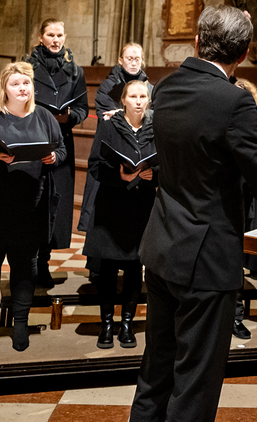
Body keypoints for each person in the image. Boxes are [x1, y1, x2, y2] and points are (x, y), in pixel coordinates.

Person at [131, 5, 257, 422]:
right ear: (243, 54)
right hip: (206, 259)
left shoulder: (165, 87)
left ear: (196, 42)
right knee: (195, 384)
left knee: (156, 370)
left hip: (163, 245)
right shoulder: (235, 102)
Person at [0, 62, 65, 352]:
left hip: (30, 206)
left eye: (26, 83)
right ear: (4, 88)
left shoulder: (43, 116)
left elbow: (60, 149)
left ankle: (20, 323)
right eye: (15, 83)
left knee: (25, 266)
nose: (22, 88)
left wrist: (54, 158)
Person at [84, 80, 157, 350]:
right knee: (107, 268)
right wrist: (120, 176)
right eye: (133, 96)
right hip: (111, 205)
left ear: (148, 100)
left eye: (143, 96)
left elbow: (166, 166)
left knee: (134, 267)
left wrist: (153, 175)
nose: (138, 101)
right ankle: (106, 324)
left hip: (141, 206)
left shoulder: (156, 128)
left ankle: (126, 324)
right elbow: (95, 165)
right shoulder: (109, 125)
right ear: (123, 100)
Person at [79, 42, 152, 276]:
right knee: (104, 222)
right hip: (112, 156)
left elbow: (151, 113)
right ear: (120, 60)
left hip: (139, 161)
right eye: (129, 58)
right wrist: (123, 115)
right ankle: (97, 267)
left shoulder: (149, 87)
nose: (134, 62)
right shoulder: (109, 85)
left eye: (137, 58)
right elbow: (106, 116)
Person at [26, 19, 89, 287]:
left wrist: (70, 116)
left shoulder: (75, 71)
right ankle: (28, 263)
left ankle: (44, 262)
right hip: (32, 139)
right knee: (32, 202)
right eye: (50, 34)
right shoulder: (26, 67)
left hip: (61, 141)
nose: (55, 39)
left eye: (60, 35)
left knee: (55, 205)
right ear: (41, 37)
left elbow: (83, 108)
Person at [235, 76, 257, 338]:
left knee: (236, 260)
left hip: (244, 198)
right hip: (221, 199)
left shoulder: (254, 127)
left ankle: (236, 316)